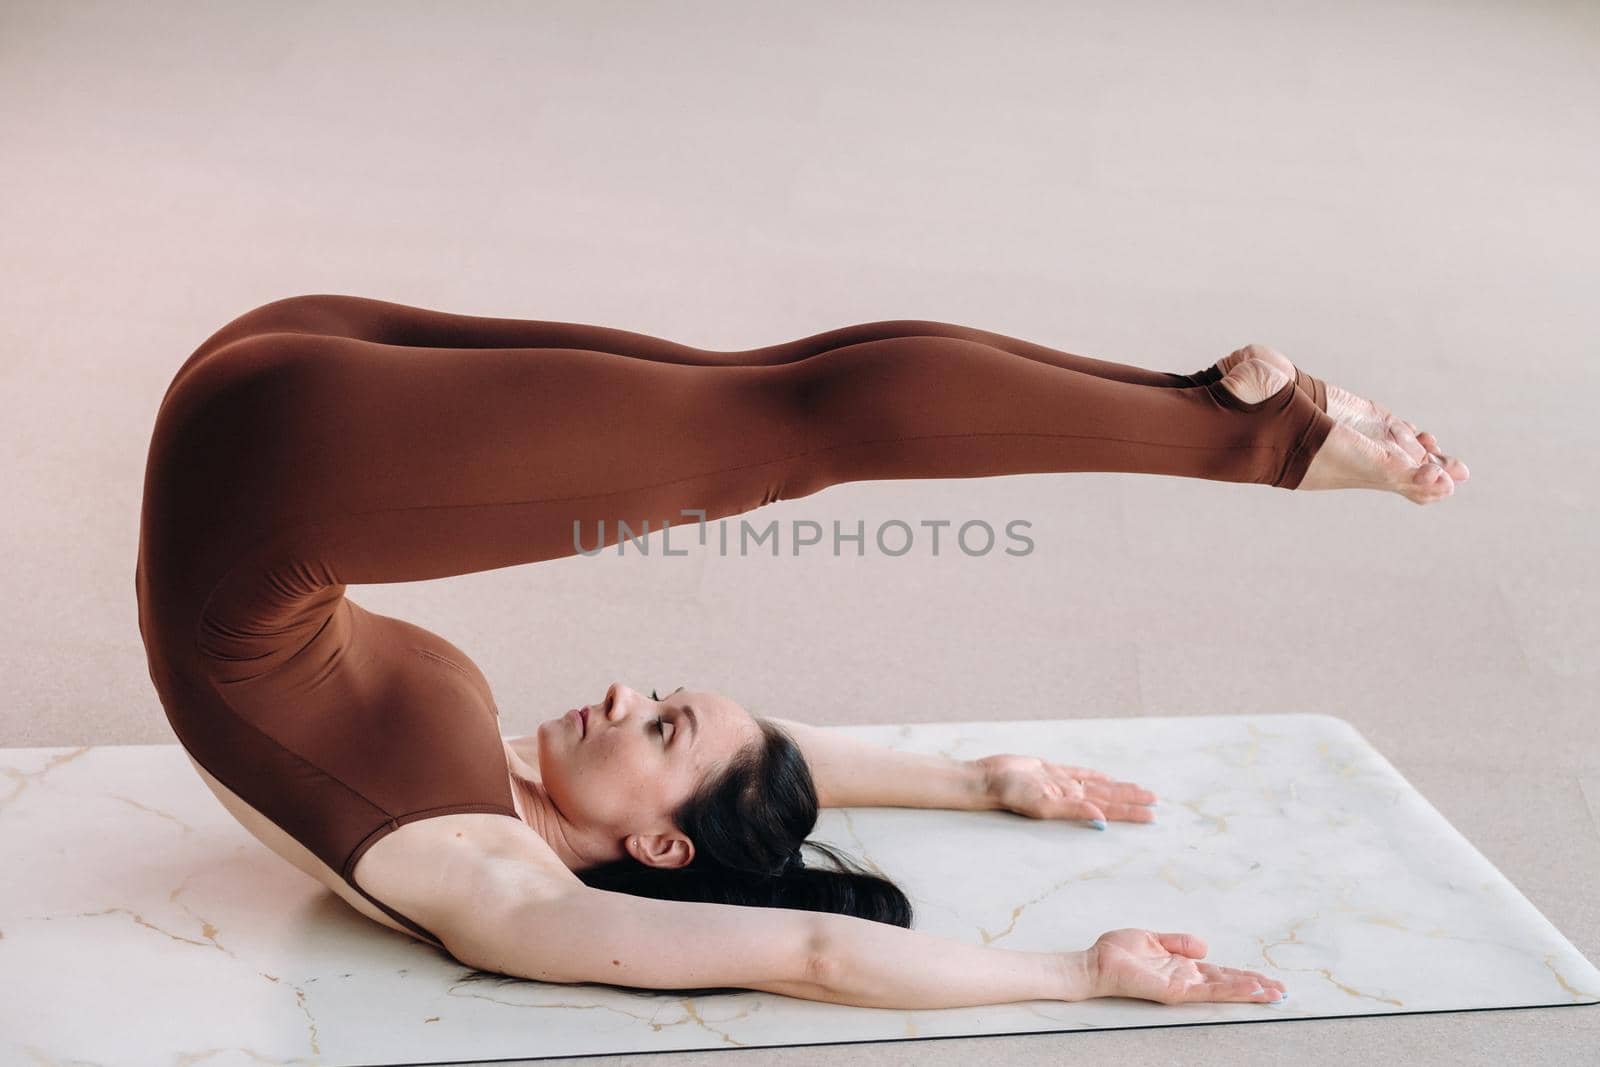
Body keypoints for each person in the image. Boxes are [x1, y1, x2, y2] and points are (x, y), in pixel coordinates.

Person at [135, 294, 1466, 1009]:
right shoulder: (532, 797)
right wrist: (970, 782)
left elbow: (807, 958)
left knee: (789, 428)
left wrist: (1070, 974)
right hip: (278, 363)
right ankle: (1205, 407)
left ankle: (1262, 437)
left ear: (658, 853)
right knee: (769, 386)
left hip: (266, 474)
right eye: (663, 700)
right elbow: (777, 762)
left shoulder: (496, 883)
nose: (623, 693)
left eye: (657, 728)